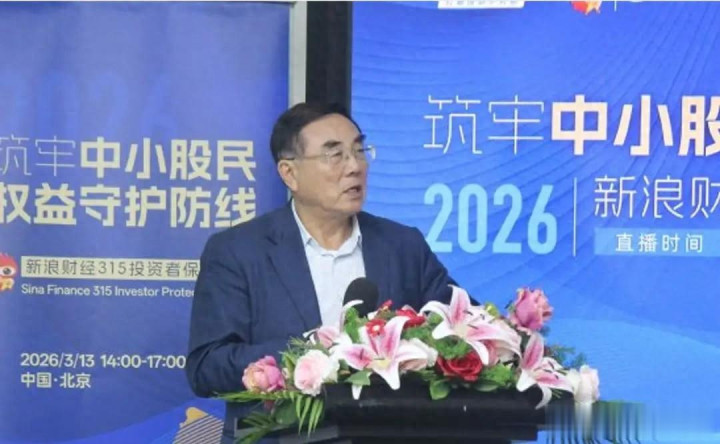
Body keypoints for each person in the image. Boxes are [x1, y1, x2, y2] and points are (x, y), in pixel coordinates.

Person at [185, 102, 457, 443]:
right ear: (290, 173)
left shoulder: (403, 246)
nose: (354, 166)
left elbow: (462, 331)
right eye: (334, 155)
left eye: (359, 151)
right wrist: (314, 354)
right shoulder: (238, 251)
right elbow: (206, 367)